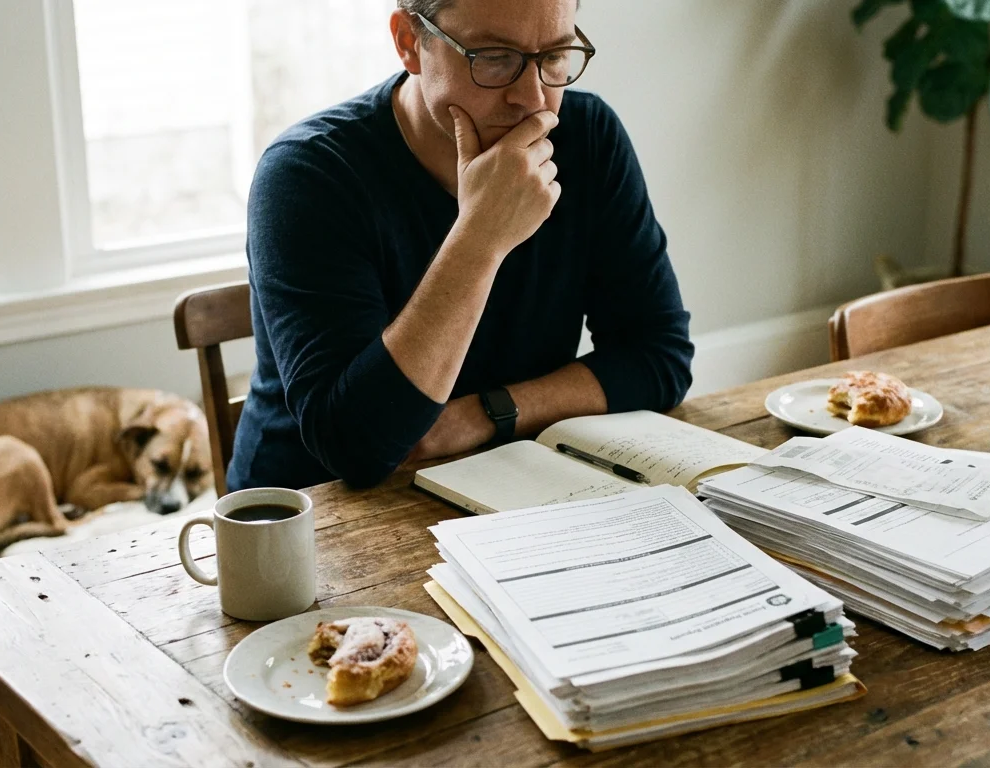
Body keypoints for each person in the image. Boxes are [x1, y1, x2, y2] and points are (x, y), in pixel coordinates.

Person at [227, 0, 693, 491]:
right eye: (493, 57)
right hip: (309, 518)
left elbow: (659, 355)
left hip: (503, 485)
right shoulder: (307, 176)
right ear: (409, 41)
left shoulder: (589, 137)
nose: (533, 99)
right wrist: (481, 237)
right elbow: (356, 448)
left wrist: (486, 414)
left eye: (554, 56)